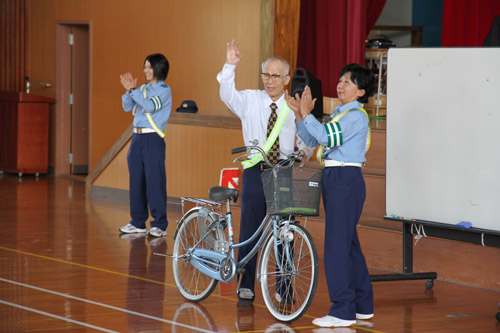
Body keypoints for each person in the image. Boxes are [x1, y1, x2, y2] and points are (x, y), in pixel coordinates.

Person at [217, 40, 311, 307]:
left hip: (283, 172)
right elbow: (227, 95)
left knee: (286, 231)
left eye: (275, 76)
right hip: (256, 172)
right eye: (266, 75)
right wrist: (230, 65)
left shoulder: (294, 107)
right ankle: (245, 286)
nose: (269, 81)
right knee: (250, 229)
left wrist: (302, 152)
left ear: (286, 79)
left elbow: (307, 141)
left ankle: (284, 287)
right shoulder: (250, 100)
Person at [286, 63, 376, 328]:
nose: (340, 85)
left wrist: (308, 114)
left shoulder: (355, 116)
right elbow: (312, 140)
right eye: (340, 80)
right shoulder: (340, 114)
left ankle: (343, 310)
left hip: (344, 179)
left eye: (348, 82)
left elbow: (326, 137)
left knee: (337, 246)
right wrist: (302, 118)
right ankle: (362, 305)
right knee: (348, 245)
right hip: (338, 179)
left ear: (360, 92)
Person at [118, 53, 172, 238]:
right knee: (136, 181)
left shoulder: (164, 90)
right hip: (137, 139)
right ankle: (137, 222)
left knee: (154, 181)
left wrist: (133, 90)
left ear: (159, 69)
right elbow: (127, 107)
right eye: (145, 67)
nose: (146, 71)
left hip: (153, 139)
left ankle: (159, 224)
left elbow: (149, 107)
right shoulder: (141, 88)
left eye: (150, 67)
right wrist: (128, 91)